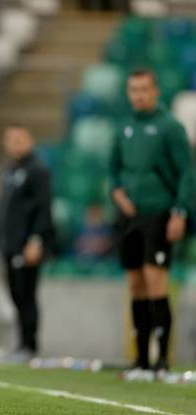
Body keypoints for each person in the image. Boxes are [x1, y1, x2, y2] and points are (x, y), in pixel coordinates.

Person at [110, 68, 196, 374]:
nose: (139, 95)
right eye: (133, 90)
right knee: (136, 285)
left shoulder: (170, 127)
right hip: (129, 218)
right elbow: (115, 171)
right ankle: (141, 360)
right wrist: (118, 194)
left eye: (144, 89)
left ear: (155, 91)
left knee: (155, 281)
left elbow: (187, 172)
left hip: (159, 212)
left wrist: (180, 211)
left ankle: (162, 361)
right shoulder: (124, 127)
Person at [0, 125, 53, 362]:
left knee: (26, 294)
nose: (15, 143)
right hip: (10, 245)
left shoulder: (37, 170)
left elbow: (44, 207)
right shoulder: (9, 170)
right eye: (10, 139)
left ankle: (30, 345)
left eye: (19, 138)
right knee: (16, 294)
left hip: (27, 245)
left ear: (30, 140)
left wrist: (36, 240)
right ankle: (21, 344)